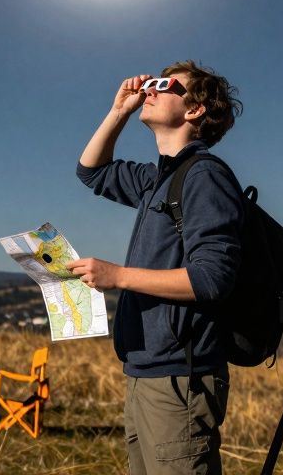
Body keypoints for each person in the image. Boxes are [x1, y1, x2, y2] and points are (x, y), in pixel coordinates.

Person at [67, 61, 244, 475]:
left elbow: (212, 278)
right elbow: (91, 172)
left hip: (180, 378)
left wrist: (118, 276)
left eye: (165, 85)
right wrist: (119, 112)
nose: (150, 88)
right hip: (145, 370)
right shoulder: (157, 180)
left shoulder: (205, 178)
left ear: (195, 109)